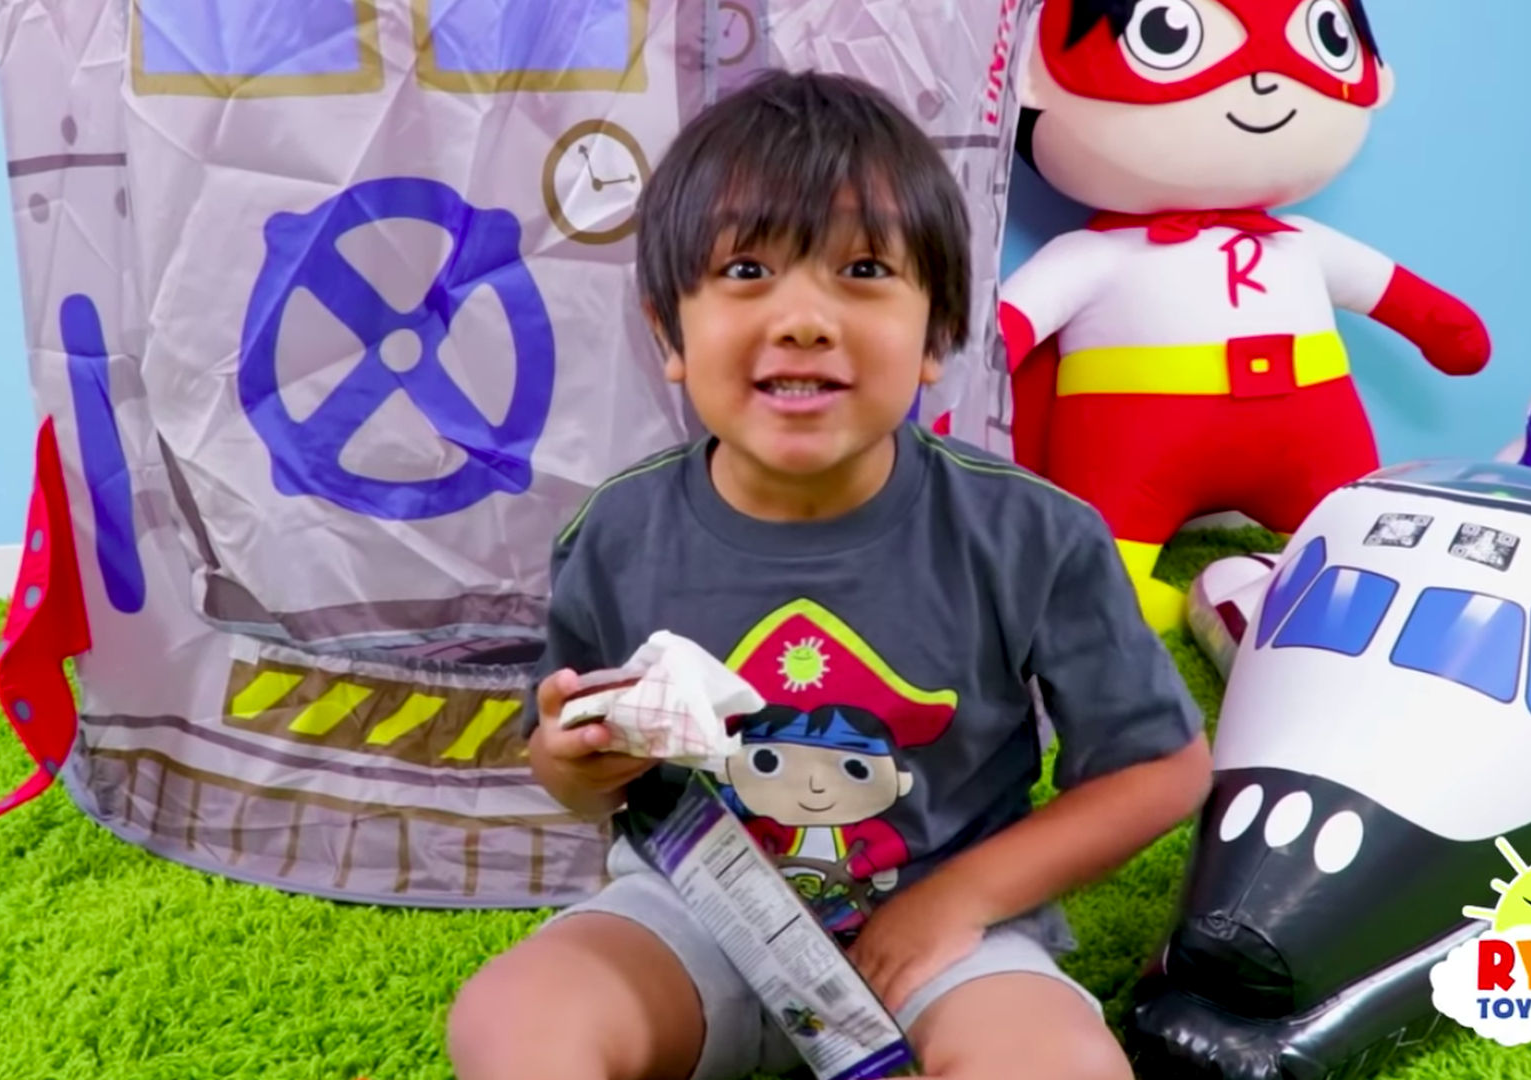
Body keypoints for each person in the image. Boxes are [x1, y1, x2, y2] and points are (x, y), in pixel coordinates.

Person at [445, 68, 1212, 1080]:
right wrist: (575, 763)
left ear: (939, 331)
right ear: (668, 331)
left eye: (861, 270)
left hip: (945, 944)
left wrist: (963, 900)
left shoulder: (1034, 533)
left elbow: (1160, 768)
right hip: (689, 914)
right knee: (513, 1015)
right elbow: (578, 773)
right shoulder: (618, 532)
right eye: (748, 272)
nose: (805, 318)